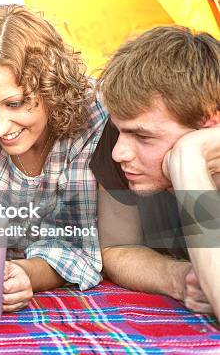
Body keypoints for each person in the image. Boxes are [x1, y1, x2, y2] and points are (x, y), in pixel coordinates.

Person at [0, 4, 107, 312]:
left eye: (15, 103)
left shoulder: (91, 121)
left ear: (52, 87)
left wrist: (25, 273)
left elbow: (77, 241)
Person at [90, 25, 220, 317]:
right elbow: (117, 247)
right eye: (120, 130)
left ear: (210, 125)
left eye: (144, 137)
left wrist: (190, 157)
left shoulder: (191, 150)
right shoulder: (123, 137)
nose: (118, 153)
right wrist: (177, 278)